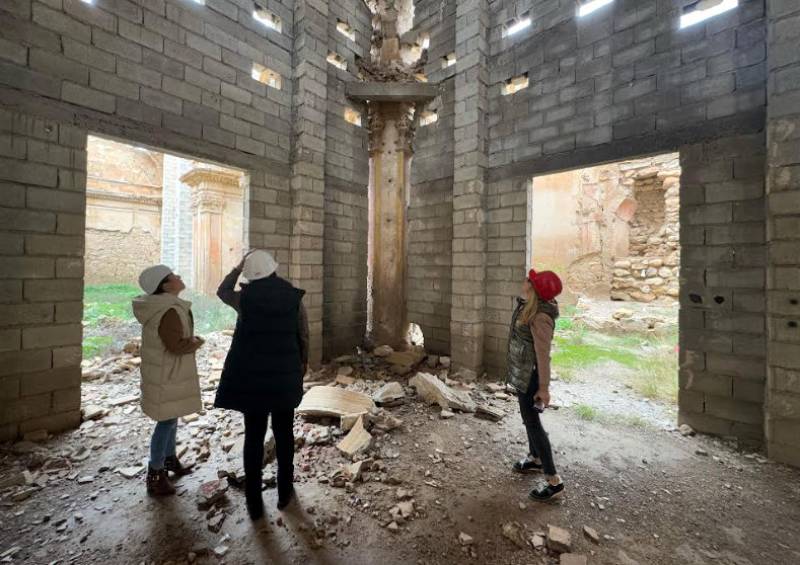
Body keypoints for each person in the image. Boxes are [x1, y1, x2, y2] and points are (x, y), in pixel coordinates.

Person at [214, 250, 309, 520]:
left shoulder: (244, 298)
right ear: (273, 270)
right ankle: (284, 493)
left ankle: (254, 504)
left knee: (254, 439)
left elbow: (222, 291)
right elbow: (303, 333)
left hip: (252, 381)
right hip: (283, 378)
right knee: (284, 436)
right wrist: (301, 366)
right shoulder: (292, 296)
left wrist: (236, 267)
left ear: (250, 274)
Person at [132, 265, 204, 496]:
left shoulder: (164, 306)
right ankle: (155, 473)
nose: (180, 277)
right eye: (174, 276)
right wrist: (196, 341)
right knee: (165, 422)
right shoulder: (169, 310)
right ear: (165, 286)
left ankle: (170, 460)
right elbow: (175, 346)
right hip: (168, 374)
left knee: (171, 418)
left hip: (165, 372)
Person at [506, 268, 564, 501]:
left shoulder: (541, 317)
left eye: (529, 280)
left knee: (533, 423)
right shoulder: (530, 306)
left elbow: (543, 355)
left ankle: (553, 480)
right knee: (528, 420)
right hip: (523, 374)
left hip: (531, 377)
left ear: (534, 289)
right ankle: (535, 458)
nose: (525, 281)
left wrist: (544, 388)